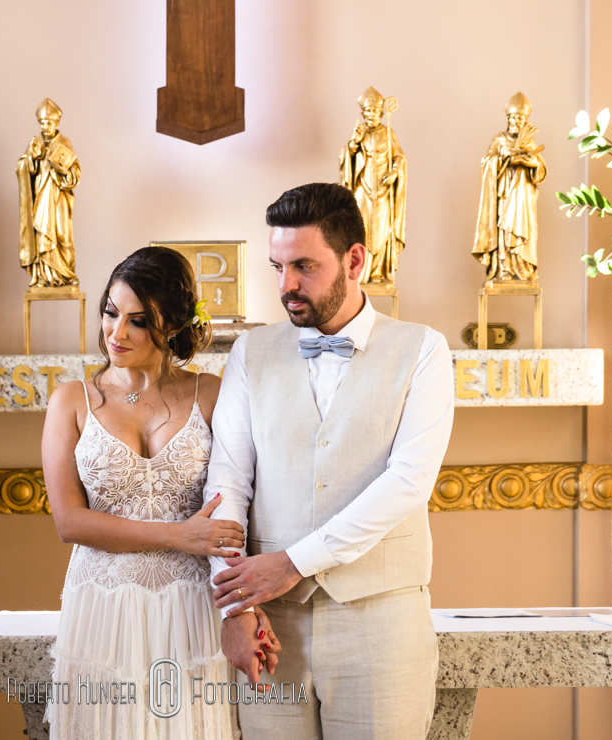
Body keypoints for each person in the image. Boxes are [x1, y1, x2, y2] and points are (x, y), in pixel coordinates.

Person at [205, 183, 454, 739]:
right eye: (277, 267)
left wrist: (294, 562)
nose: (286, 286)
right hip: (271, 624)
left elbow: (408, 482)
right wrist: (234, 606)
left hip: (381, 622)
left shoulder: (423, 350)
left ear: (355, 260)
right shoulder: (250, 352)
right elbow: (227, 482)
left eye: (304, 267)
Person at [41, 246, 279, 738]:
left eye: (138, 321)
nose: (116, 332)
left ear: (172, 324)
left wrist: (245, 606)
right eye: (111, 312)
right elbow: (69, 521)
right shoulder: (71, 401)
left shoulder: (211, 394)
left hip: (192, 606)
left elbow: (240, 504)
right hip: (103, 607)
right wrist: (178, 536)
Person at [473, 92, 546, 282]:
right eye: (514, 117)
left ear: (526, 120)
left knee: (521, 228)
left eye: (521, 118)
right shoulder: (499, 140)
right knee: (504, 229)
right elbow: (486, 162)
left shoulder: (529, 142)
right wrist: (503, 158)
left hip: (522, 198)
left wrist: (529, 162)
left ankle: (523, 268)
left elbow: (540, 168)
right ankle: (503, 269)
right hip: (504, 196)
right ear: (508, 119)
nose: (517, 121)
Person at [339, 86, 407, 283]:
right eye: (367, 111)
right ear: (363, 113)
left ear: (380, 113)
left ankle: (377, 271)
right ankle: (361, 272)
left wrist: (394, 172)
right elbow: (347, 157)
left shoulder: (388, 133)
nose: (371, 114)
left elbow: (399, 157)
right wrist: (354, 143)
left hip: (383, 190)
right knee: (362, 229)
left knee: (382, 230)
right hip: (363, 189)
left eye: (375, 111)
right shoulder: (359, 133)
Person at [17, 97, 81, 287]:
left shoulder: (64, 143)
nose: (45, 127)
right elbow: (23, 167)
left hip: (58, 197)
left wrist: (64, 171)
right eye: (42, 123)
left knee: (62, 235)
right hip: (41, 198)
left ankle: (65, 274)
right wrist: (32, 159)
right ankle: (43, 276)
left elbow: (75, 172)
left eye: (49, 123)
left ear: (57, 123)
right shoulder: (35, 143)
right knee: (42, 234)